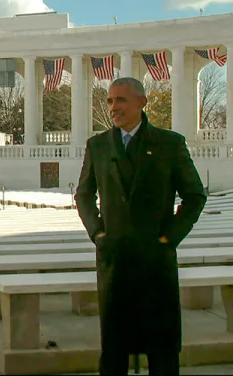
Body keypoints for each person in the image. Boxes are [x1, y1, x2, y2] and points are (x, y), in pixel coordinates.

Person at [75, 77, 207, 374]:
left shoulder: (169, 143)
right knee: (114, 348)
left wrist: (169, 238)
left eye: (120, 100)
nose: (113, 107)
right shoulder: (97, 145)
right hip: (115, 259)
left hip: (155, 260)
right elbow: (84, 193)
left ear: (141, 103)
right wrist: (98, 233)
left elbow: (195, 195)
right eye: (109, 101)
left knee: (162, 348)